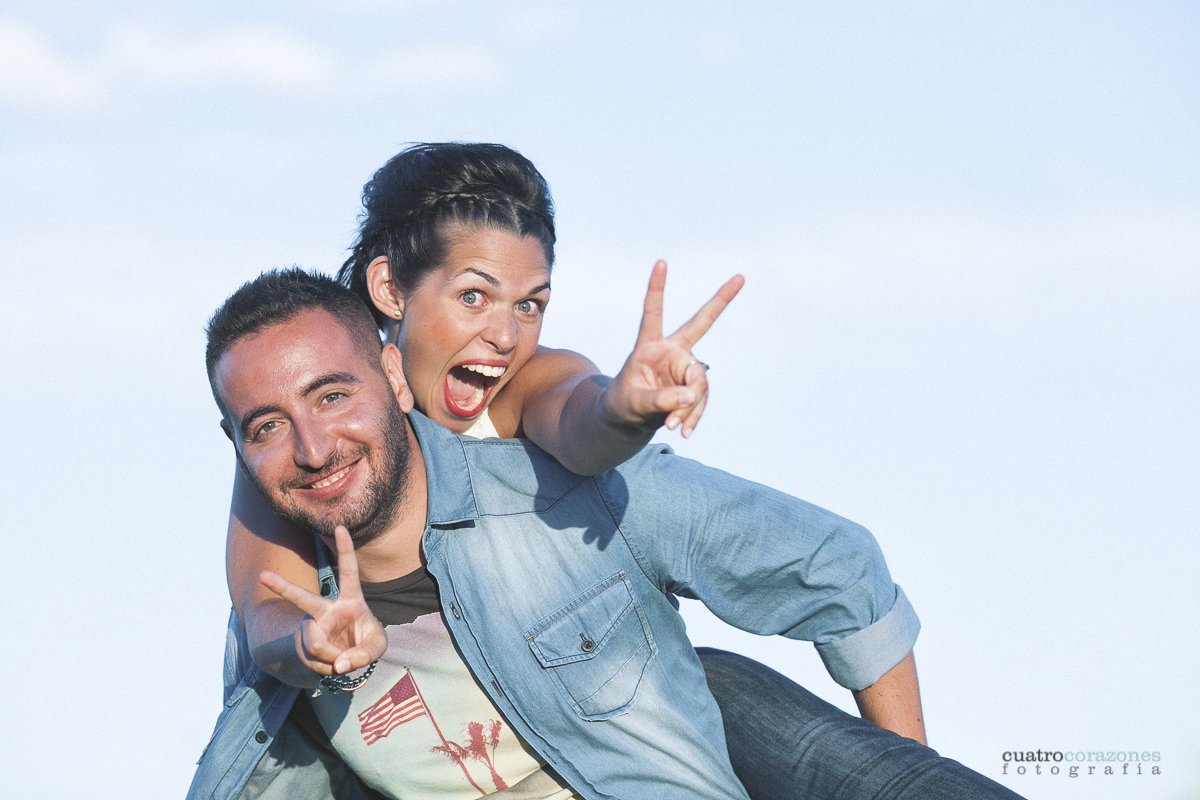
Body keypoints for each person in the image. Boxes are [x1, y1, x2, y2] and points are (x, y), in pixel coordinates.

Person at [188, 269, 1024, 800]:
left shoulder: (570, 496)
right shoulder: (283, 624)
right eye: (266, 426)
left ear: (397, 375)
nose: (312, 446)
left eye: (333, 396)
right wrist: (304, 652)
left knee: (730, 690)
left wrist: (891, 777)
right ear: (238, 450)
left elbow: (830, 566)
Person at [227, 143, 746, 690]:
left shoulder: (520, 380)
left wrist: (625, 407)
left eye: (529, 305)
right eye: (474, 296)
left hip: (581, 698)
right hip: (368, 733)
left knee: (728, 685)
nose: (504, 337)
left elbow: (580, 418)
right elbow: (264, 606)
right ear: (389, 290)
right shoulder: (310, 437)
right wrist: (311, 641)